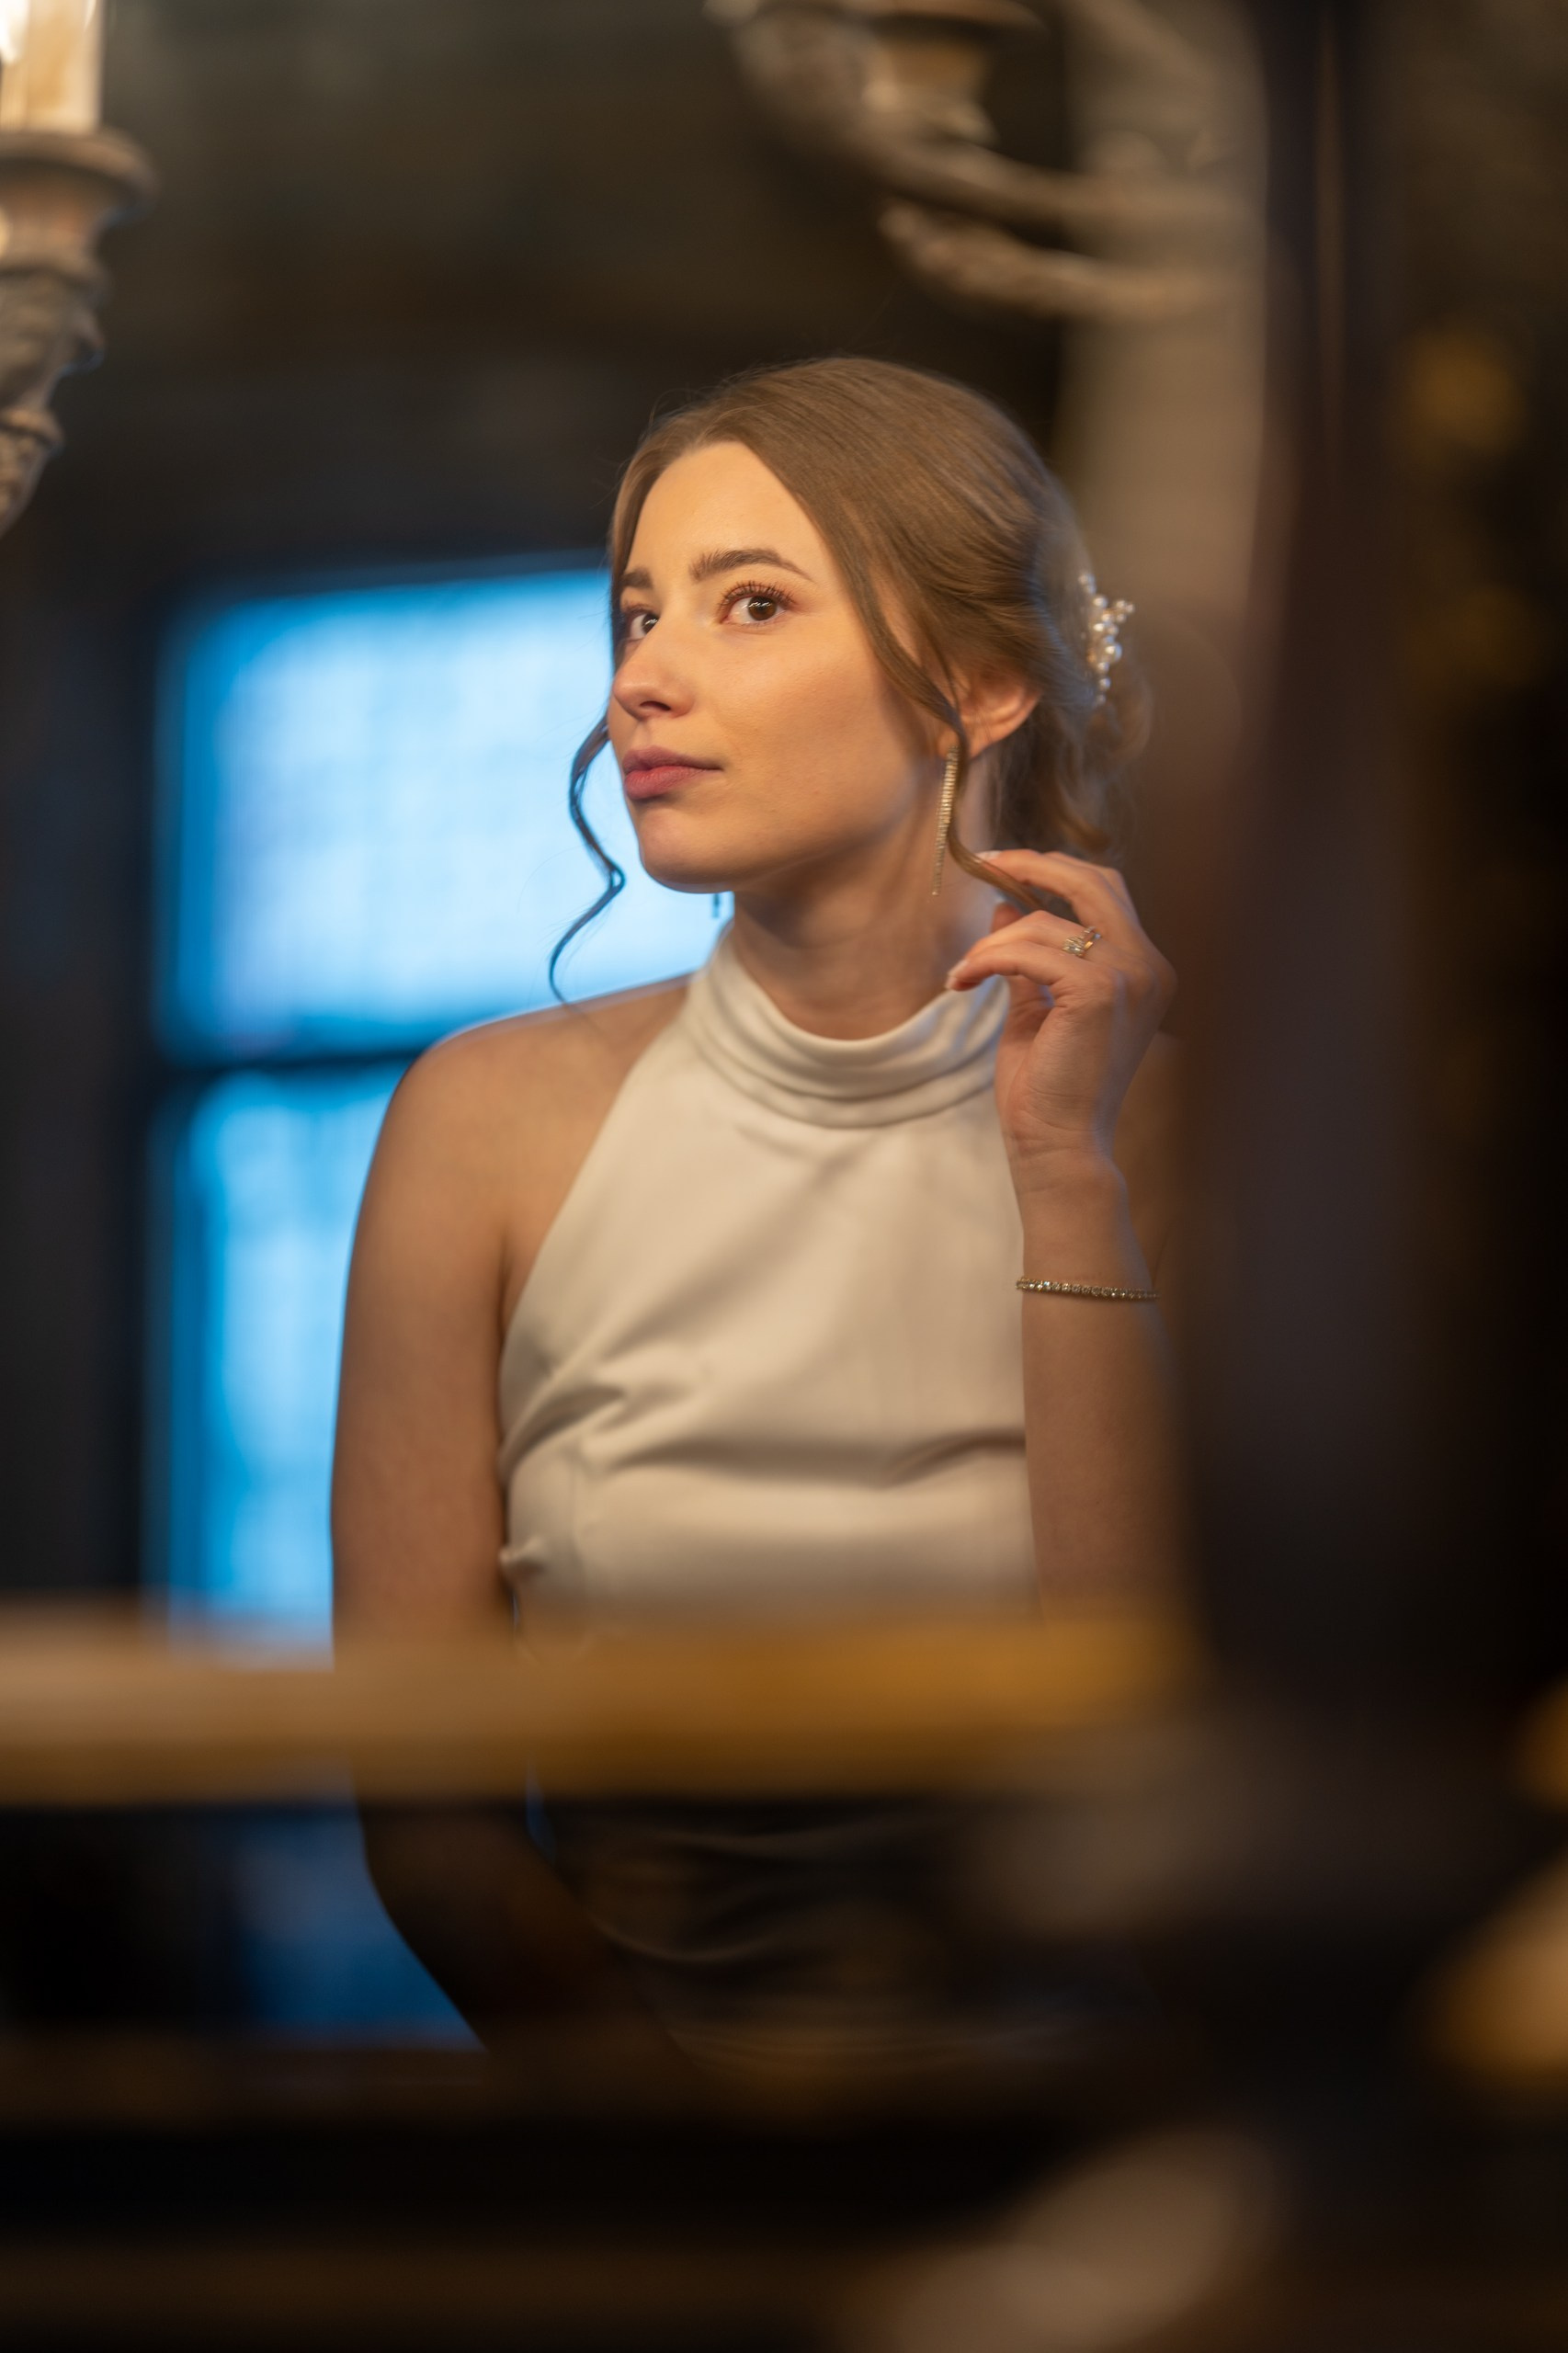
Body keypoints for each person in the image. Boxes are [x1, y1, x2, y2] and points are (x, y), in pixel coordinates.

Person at [332, 357, 1184, 2072]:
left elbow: (1152, 1718)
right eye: (637, 613)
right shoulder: (482, 1126)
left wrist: (1063, 1182)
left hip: (1098, 2112)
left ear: (982, 679)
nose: (644, 678)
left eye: (748, 605)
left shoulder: (1176, 1127)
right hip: (637, 2145)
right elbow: (422, 1812)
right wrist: (667, 2141)